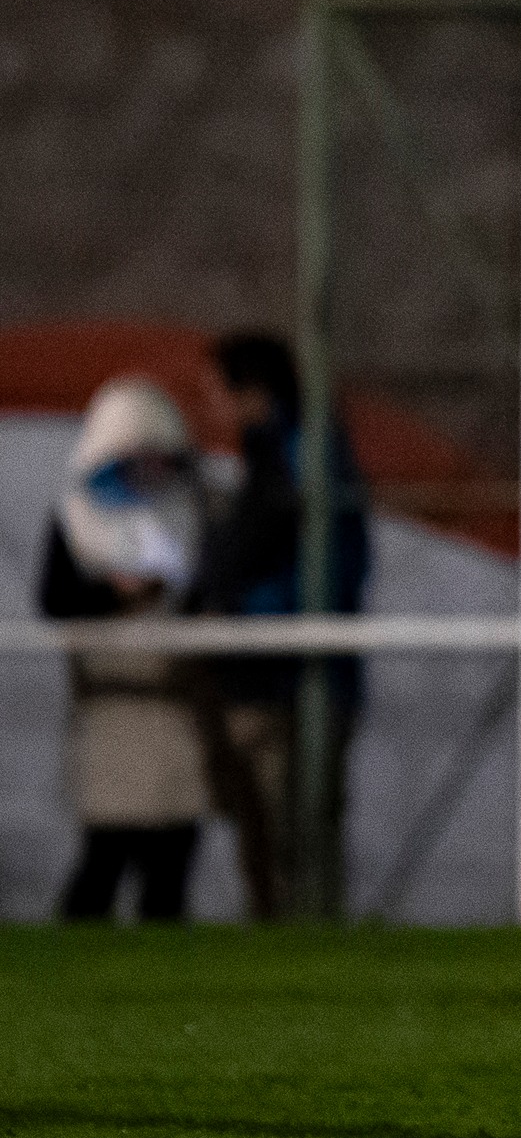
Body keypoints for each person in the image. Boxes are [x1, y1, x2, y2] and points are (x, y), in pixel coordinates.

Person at [197, 332, 371, 920]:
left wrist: (244, 614)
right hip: (263, 676)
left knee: (299, 833)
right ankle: (283, 950)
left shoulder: (308, 454)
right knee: (268, 836)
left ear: (252, 390)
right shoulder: (270, 455)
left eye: (216, 391)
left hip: (300, 677)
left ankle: (314, 952)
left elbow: (336, 570)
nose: (210, 407)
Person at [41, 378, 211, 921]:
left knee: (172, 858)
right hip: (109, 705)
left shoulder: (195, 510)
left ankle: (169, 986)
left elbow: (212, 590)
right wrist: (115, 592)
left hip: (176, 704)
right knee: (105, 853)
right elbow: (55, 599)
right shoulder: (74, 519)